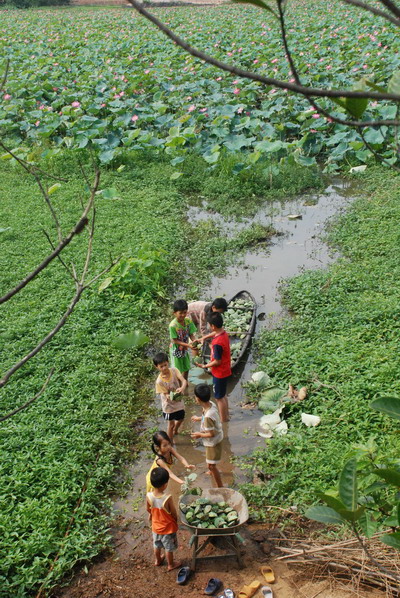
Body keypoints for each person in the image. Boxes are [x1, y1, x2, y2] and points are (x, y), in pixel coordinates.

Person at [196, 312, 231, 423]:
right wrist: (203, 338)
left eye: (209, 324)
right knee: (223, 395)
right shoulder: (223, 333)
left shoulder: (217, 343)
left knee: (218, 398)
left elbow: (217, 361)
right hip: (225, 369)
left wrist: (205, 365)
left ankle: (223, 420)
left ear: (212, 326)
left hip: (219, 372)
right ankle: (226, 416)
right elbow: (214, 333)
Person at [146, 467, 182, 571]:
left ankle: (158, 560)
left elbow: (148, 509)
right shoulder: (167, 498)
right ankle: (171, 564)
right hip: (167, 529)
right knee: (168, 547)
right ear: (165, 485)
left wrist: (152, 516)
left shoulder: (149, 496)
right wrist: (176, 520)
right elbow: (173, 513)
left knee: (157, 545)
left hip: (155, 527)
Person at [191, 383, 223, 488]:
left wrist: (199, 435)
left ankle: (220, 486)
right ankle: (211, 469)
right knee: (210, 461)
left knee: (211, 466)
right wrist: (199, 418)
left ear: (198, 399)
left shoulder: (208, 416)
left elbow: (211, 433)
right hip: (214, 439)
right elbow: (209, 418)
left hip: (213, 442)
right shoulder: (211, 404)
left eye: (195, 396)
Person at [153, 351, 188, 441]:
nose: (164, 368)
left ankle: (175, 430)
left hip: (178, 401)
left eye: (165, 365)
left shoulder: (174, 370)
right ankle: (170, 442)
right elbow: (165, 394)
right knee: (170, 425)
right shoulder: (159, 381)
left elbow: (184, 381)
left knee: (181, 418)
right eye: (161, 366)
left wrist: (182, 388)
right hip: (168, 405)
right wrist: (169, 396)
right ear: (156, 367)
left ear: (168, 362)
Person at [169, 299, 197, 380]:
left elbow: (191, 334)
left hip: (185, 349)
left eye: (185, 312)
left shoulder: (188, 321)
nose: (183, 315)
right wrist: (188, 345)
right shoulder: (173, 325)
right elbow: (174, 340)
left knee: (186, 367)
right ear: (174, 313)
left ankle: (185, 382)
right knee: (177, 370)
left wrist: (194, 341)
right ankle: (179, 385)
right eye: (180, 313)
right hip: (176, 350)